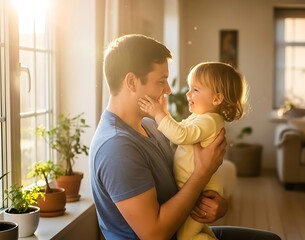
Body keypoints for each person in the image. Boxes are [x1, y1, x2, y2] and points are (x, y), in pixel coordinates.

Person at [90, 33, 281, 240]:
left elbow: (182, 175)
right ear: (132, 82)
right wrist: (203, 173)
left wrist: (217, 204)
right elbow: (155, 235)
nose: (169, 90)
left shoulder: (149, 126)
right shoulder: (117, 148)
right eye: (161, 81)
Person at [138, 62, 247, 240]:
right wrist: (165, 113)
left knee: (187, 237)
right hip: (195, 190)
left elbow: (180, 136)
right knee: (198, 231)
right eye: (189, 88)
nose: (188, 94)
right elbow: (180, 129)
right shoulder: (200, 117)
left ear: (216, 99)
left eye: (195, 89)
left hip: (201, 193)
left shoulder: (210, 121)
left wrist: (158, 114)